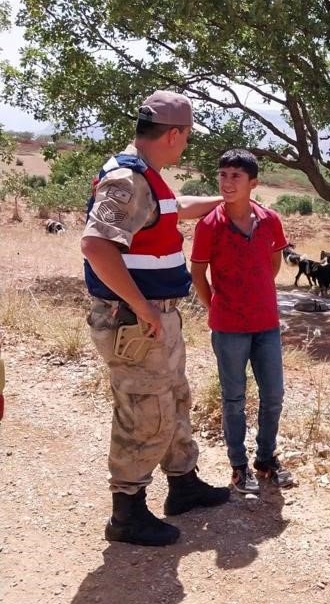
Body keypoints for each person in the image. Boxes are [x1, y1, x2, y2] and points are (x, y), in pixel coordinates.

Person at [82, 90, 231, 547]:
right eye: (185, 137)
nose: (185, 145)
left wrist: (222, 199)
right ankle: (126, 512)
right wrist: (143, 306)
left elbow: (172, 209)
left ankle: (182, 483)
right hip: (134, 320)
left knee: (173, 399)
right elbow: (96, 244)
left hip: (156, 320)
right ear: (173, 134)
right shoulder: (126, 178)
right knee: (144, 410)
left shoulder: (150, 177)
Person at [190, 148, 295, 494]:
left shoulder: (270, 221)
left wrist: (257, 292)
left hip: (266, 322)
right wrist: (215, 307)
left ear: (253, 182)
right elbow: (198, 273)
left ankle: (266, 459)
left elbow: (274, 264)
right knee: (233, 397)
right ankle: (238, 466)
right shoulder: (209, 225)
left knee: (274, 394)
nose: (227, 182)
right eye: (222, 175)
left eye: (236, 176)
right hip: (228, 326)